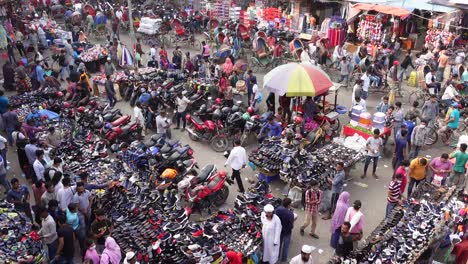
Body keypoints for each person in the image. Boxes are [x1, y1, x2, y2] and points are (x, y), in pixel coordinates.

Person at [275, 198, 295, 262]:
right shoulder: (290, 213)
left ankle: (276, 257)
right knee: (286, 246)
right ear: (289, 205)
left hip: (279, 230)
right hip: (287, 231)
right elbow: (291, 225)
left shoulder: (277, 210)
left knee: (279, 244)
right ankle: (284, 259)